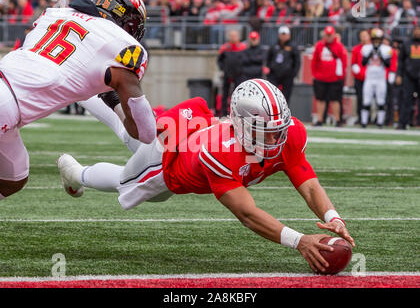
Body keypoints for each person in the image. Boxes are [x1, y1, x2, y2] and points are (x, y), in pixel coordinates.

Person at [58, 78, 355, 273]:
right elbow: (247, 213)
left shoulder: (288, 135)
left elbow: (308, 181)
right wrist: (299, 240)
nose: (275, 140)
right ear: (241, 125)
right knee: (126, 182)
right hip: (168, 160)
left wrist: (333, 217)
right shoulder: (220, 152)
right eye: (266, 133)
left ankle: (93, 92)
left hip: (189, 135)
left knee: (133, 132)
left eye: (278, 130)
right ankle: (75, 172)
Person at [0, 0, 156, 200]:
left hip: (7, 91)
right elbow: (145, 133)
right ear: (125, 17)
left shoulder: (54, 14)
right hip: (6, 104)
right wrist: (113, 97)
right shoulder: (119, 43)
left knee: (14, 175)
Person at [311, 26, 347, 127]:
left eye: (330, 35)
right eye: (327, 35)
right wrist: (315, 74)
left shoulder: (339, 46)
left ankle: (337, 120)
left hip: (335, 78)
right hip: (321, 78)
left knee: (335, 100)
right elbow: (314, 60)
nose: (328, 37)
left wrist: (341, 76)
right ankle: (319, 119)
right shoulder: (319, 45)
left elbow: (344, 61)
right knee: (320, 99)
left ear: (334, 35)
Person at [360, 28, 393, 128]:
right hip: (369, 78)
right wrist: (371, 53)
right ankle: (364, 122)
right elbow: (363, 63)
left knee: (381, 101)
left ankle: (380, 122)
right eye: (375, 39)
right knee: (366, 101)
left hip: (380, 78)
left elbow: (388, 64)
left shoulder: (386, 49)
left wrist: (380, 55)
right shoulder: (366, 48)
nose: (376, 41)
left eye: (378, 39)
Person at [264, 26, 300, 103]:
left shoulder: (293, 46)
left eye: (285, 34)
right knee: (273, 95)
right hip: (274, 75)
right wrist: (268, 70)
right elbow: (268, 58)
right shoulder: (274, 46)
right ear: (279, 35)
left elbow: (297, 61)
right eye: (282, 34)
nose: (283, 36)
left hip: (287, 76)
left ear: (289, 35)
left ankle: (284, 113)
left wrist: (294, 73)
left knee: (286, 97)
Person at [217, 29, 247, 116]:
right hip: (227, 74)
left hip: (239, 75)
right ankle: (223, 113)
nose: (233, 38)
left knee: (238, 95)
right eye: (232, 36)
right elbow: (219, 60)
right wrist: (223, 68)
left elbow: (246, 60)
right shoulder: (225, 48)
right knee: (225, 94)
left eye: (235, 36)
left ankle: (238, 113)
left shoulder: (242, 47)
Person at [396, 26, 420, 130]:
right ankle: (403, 123)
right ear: (413, 32)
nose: (418, 33)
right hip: (408, 76)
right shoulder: (406, 44)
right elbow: (400, 61)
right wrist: (399, 75)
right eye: (416, 31)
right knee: (406, 100)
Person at [351, 30, 370, 124]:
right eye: (362, 36)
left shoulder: (372, 48)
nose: (364, 37)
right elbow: (353, 62)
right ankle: (360, 117)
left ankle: (369, 118)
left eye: (365, 35)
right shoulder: (356, 48)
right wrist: (357, 71)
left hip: (370, 78)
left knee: (370, 98)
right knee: (360, 98)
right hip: (359, 78)